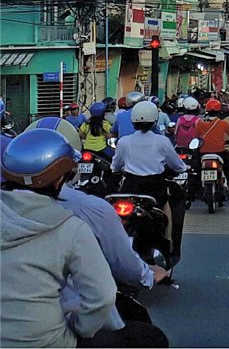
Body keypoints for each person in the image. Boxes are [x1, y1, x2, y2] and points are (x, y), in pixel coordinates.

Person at [23, 117, 170, 347]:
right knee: (151, 338)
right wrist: (148, 275)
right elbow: (114, 278)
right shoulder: (82, 215)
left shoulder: (9, 211)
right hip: (60, 329)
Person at [1, 129, 117, 347]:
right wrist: (80, 328)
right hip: (47, 342)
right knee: (149, 337)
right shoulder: (71, 229)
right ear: (58, 181)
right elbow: (102, 296)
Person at [111, 101, 187, 242]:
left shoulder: (124, 142)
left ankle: (118, 241)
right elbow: (178, 166)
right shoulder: (162, 141)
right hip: (155, 188)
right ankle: (169, 240)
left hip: (130, 188)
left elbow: (115, 166)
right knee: (166, 206)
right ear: (155, 121)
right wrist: (182, 169)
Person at [195, 99, 229, 195]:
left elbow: (196, 138)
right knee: (227, 166)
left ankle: (196, 187)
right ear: (219, 111)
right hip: (219, 151)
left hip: (203, 152)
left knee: (197, 168)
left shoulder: (199, 123)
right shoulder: (223, 123)